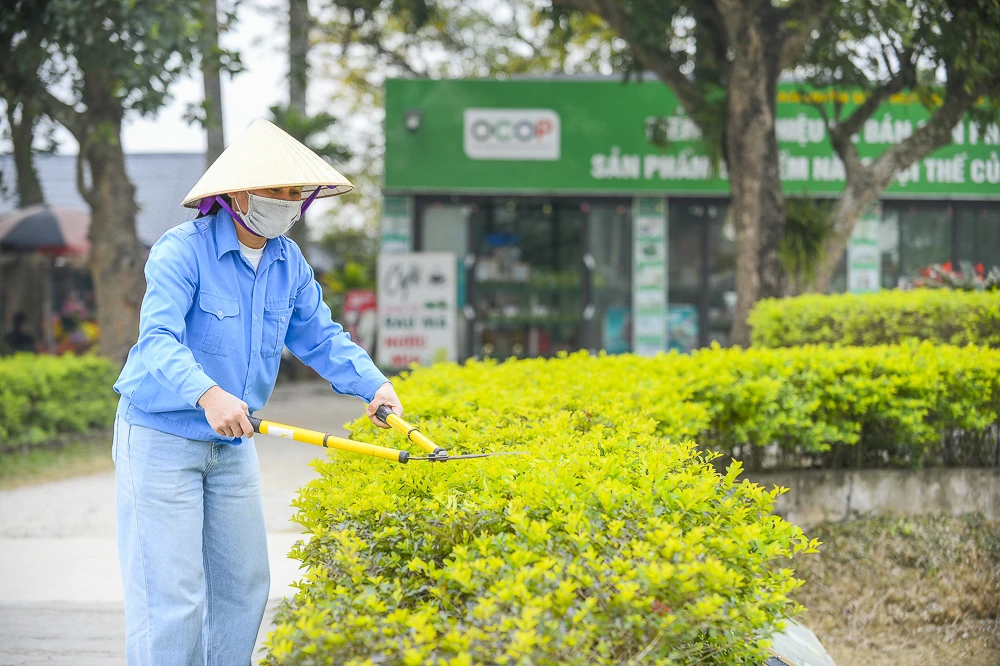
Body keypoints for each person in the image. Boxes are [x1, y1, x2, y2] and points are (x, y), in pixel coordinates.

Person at [112, 119, 403, 666]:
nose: (287, 202)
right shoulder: (181, 251)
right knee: (173, 597)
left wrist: (375, 385)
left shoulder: (288, 262)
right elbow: (157, 340)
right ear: (238, 194)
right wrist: (208, 394)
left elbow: (320, 337)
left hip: (232, 443)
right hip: (160, 437)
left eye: (295, 192)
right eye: (276, 190)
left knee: (245, 585)